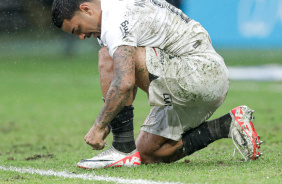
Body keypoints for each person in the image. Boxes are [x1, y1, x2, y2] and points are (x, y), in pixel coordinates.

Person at [51, 0, 262, 169]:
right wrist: (109, 117)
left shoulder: (115, 16)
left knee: (107, 55)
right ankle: (227, 125)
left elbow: (124, 82)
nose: (81, 37)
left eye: (77, 29)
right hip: (208, 80)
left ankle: (122, 148)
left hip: (199, 73)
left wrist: (99, 126)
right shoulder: (117, 9)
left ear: (86, 9)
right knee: (150, 152)